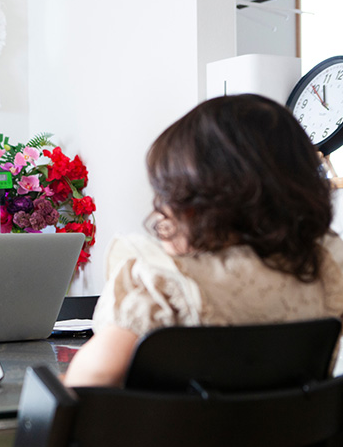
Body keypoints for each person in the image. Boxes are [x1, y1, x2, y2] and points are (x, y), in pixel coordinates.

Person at [64, 93, 343, 387]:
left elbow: (92, 379)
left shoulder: (166, 284)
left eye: (166, 194)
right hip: (291, 432)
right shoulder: (327, 269)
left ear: (195, 204)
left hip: (180, 432)